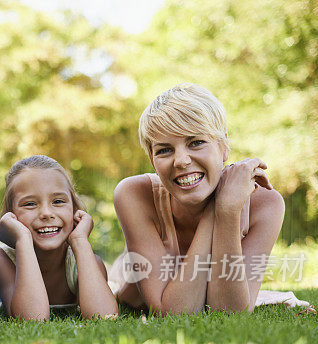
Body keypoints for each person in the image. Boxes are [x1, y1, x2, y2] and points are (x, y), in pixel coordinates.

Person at [111, 83, 307, 313]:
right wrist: (219, 207)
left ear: (224, 146)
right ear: (153, 161)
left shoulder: (265, 204)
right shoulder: (134, 194)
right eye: (164, 150)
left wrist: (228, 211)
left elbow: (230, 312)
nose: (181, 161)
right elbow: (173, 312)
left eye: (196, 142)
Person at [0, 156, 118, 321]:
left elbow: (104, 317)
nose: (46, 213)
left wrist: (80, 240)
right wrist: (22, 239)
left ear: (74, 210)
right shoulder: (1, 259)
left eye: (58, 201)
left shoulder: (84, 262)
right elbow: (31, 319)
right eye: (30, 204)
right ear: (10, 216)